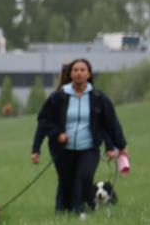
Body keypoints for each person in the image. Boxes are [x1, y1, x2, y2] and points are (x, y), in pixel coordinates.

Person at [31, 58, 129, 216]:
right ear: (70, 74)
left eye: (83, 70)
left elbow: (111, 123)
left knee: (84, 177)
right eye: (75, 70)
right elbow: (43, 120)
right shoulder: (58, 97)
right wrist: (52, 138)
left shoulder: (98, 98)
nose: (79, 73)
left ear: (89, 73)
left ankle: (78, 210)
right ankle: (62, 211)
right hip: (63, 149)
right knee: (66, 180)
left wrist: (121, 147)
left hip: (89, 148)